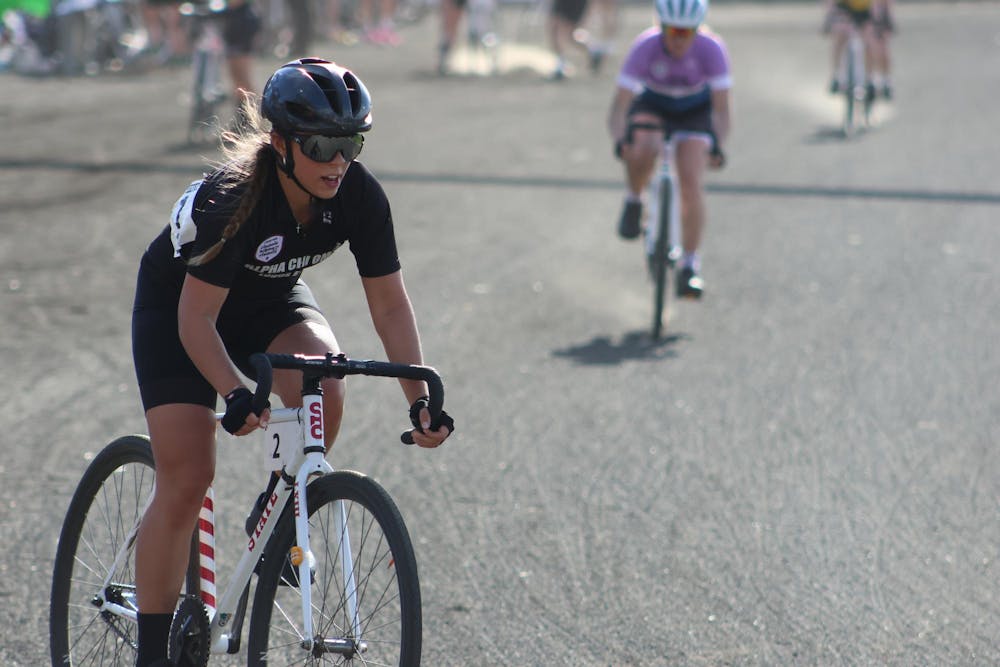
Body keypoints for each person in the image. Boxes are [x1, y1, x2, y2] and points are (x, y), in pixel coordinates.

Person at [130, 57, 454, 667]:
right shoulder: (234, 201)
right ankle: (152, 653)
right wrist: (233, 391)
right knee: (188, 474)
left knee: (324, 378)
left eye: (351, 144)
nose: (338, 161)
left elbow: (389, 305)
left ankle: (278, 511)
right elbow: (195, 321)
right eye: (322, 146)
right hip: (182, 310)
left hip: (265, 300)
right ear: (280, 143)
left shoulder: (358, 195)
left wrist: (419, 400)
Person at [607, 0, 731, 299]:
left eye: (687, 32)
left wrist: (718, 145)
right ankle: (634, 199)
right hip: (654, 103)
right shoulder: (645, 46)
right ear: (660, 27)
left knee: (691, 182)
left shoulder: (712, 49)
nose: (679, 40)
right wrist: (621, 141)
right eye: (673, 31)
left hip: (694, 108)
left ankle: (690, 264)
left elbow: (722, 110)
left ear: (698, 30)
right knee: (642, 147)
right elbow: (620, 106)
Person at [821, 0, 878, 100]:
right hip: (843, 7)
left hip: (864, 9)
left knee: (869, 43)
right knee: (840, 37)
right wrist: (829, 16)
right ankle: (836, 76)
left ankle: (870, 79)